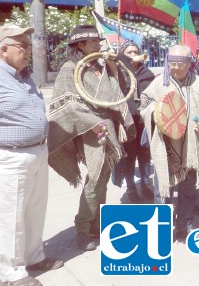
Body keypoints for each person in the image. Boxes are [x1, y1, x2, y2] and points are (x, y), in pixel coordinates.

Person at [48, 25, 135, 251]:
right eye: (93, 42)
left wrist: (115, 70)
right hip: (90, 130)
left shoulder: (102, 66)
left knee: (104, 177)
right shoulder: (70, 69)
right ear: (80, 45)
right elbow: (69, 105)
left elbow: (118, 94)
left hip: (108, 127)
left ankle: (97, 225)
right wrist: (93, 124)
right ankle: (83, 229)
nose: (98, 45)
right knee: (95, 179)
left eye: (98, 41)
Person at [0, 24, 64, 286]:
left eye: (28, 45)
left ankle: (33, 256)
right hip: (11, 156)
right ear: (3, 49)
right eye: (21, 46)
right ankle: (10, 273)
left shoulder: (23, 75)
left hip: (37, 152)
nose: (27, 50)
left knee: (35, 211)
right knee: (11, 215)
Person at [140, 45, 199, 239]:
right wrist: (157, 112)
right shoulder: (159, 84)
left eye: (180, 64)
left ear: (190, 63)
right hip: (165, 144)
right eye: (172, 63)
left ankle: (185, 222)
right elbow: (144, 103)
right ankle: (162, 226)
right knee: (162, 189)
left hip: (192, 145)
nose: (175, 68)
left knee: (188, 189)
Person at [116, 40, 155, 202]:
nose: (133, 55)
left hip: (145, 121)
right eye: (128, 53)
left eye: (135, 52)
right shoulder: (118, 73)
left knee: (145, 154)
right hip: (127, 121)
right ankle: (131, 186)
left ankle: (146, 184)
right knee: (129, 155)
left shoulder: (148, 74)